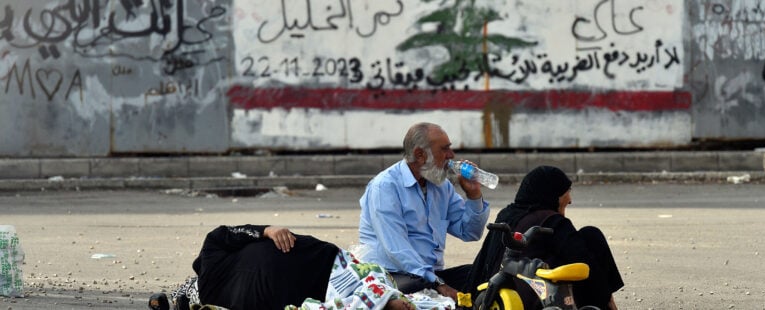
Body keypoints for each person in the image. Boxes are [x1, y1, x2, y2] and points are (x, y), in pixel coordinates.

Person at [358, 122, 491, 301]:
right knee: (420, 288)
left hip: (429, 275)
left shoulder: (442, 186)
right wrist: (437, 283)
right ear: (420, 155)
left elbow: (470, 233)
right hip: (391, 275)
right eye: (444, 150)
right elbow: (397, 249)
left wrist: (473, 194)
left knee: (482, 277)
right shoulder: (385, 187)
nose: (451, 156)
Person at [152, 224, 418, 310]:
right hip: (314, 285)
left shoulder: (211, 254)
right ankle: (389, 297)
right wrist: (264, 230)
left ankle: (389, 297)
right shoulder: (216, 297)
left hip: (322, 265)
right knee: (369, 286)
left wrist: (266, 230)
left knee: (372, 279)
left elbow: (226, 232)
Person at [466, 166, 624, 310]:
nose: (570, 199)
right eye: (567, 191)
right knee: (591, 236)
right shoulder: (552, 221)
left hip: (497, 296)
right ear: (552, 194)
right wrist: (606, 298)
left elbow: (483, 262)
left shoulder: (507, 215)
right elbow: (587, 266)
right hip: (541, 301)